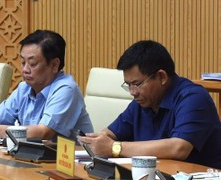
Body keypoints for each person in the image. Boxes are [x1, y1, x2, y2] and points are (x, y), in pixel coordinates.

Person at [79, 41, 221, 167]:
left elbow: (179, 148)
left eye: (137, 84)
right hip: (157, 179)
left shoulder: (193, 98)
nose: (133, 92)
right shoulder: (142, 102)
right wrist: (98, 140)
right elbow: (111, 134)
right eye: (128, 85)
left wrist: (115, 148)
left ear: (161, 77)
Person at [0, 29, 93, 140]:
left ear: (54, 65)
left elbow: (44, 133)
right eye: (23, 62)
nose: (25, 70)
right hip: (31, 155)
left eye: (32, 64)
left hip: (71, 157)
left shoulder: (66, 89)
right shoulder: (24, 88)